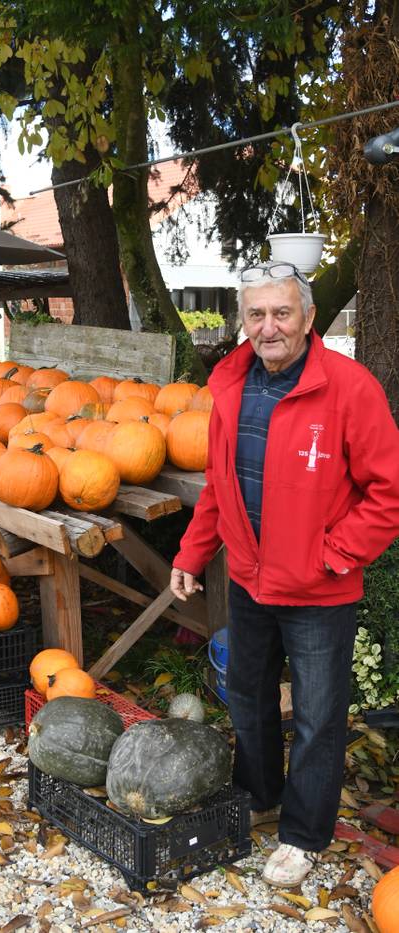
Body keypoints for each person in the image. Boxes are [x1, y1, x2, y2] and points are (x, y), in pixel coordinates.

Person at [170, 262, 399, 887]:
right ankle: (258, 795)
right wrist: (192, 553)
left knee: (320, 715)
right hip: (248, 578)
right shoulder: (232, 386)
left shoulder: (349, 389)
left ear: (307, 319)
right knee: (247, 697)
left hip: (320, 591)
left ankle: (303, 833)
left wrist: (334, 554)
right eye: (256, 315)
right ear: (242, 321)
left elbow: (389, 493)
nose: (268, 327)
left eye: (281, 313)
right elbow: (220, 485)